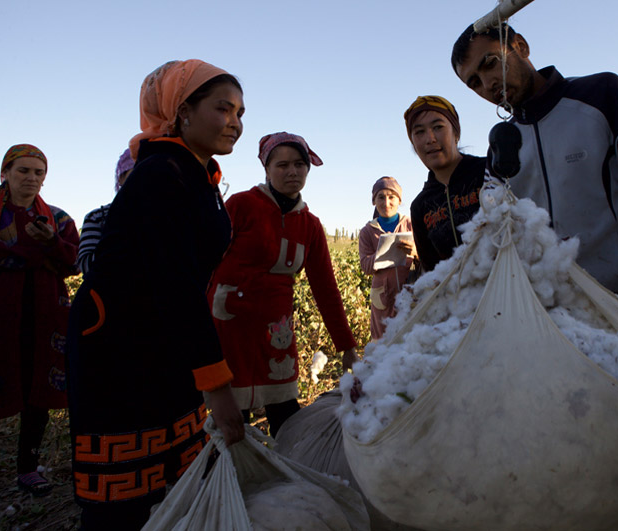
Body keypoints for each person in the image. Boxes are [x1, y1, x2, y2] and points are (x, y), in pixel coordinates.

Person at [66, 60, 245, 530]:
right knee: (121, 497)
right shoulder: (162, 174)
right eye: (223, 108)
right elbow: (175, 283)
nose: (236, 122)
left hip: (160, 343)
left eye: (241, 112)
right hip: (121, 351)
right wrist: (217, 386)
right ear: (183, 111)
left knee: (173, 477)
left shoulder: (195, 175)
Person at [451, 23, 618, 343]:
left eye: (491, 62)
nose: (488, 84)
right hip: (549, 313)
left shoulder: (603, 95)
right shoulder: (501, 143)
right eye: (474, 83)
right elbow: (493, 219)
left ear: (520, 46)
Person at [208, 131, 358, 437]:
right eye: (282, 165)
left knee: (286, 415)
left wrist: (346, 346)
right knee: (231, 420)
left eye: (299, 165)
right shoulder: (241, 205)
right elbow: (205, 259)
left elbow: (325, 287)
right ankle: (224, 480)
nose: (292, 171)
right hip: (229, 323)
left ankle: (284, 479)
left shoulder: (310, 225)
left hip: (277, 329)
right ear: (266, 169)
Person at [0, 144, 79, 496]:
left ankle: (27, 468)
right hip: (2, 313)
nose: (32, 179)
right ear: (5, 173)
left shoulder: (57, 220)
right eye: (23, 171)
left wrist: (50, 244)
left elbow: (75, 262)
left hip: (45, 314)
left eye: (38, 173)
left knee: (38, 388)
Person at [406, 95, 487, 272]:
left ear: (456, 133)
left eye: (438, 127)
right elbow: (432, 272)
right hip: (459, 298)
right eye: (419, 132)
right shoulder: (421, 206)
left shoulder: (488, 172)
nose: (430, 139)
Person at [358, 176, 416, 340]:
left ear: (399, 200)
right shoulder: (368, 231)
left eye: (391, 197)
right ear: (374, 201)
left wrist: (415, 251)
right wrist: (383, 253)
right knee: (382, 342)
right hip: (382, 296)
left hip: (410, 291)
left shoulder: (411, 224)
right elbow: (366, 266)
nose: (386, 202)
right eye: (381, 197)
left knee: (410, 339)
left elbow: (426, 256)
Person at [76, 148, 134, 274]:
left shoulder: (175, 215)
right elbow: (86, 266)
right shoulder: (98, 218)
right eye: (136, 173)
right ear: (121, 178)